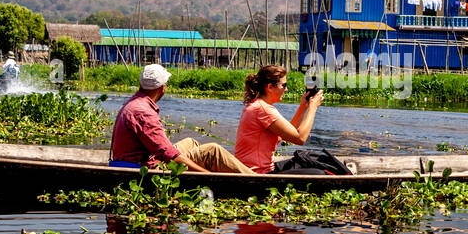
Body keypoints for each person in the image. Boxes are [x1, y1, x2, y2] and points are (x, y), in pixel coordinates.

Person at [110, 63, 255, 173]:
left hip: (134, 160)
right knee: (212, 151)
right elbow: (168, 155)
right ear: (163, 87)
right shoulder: (144, 112)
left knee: (191, 142)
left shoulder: (134, 103)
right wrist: (206, 174)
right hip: (144, 168)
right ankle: (255, 179)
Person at [235, 65, 325, 173]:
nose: (286, 89)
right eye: (284, 85)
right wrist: (313, 107)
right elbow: (300, 138)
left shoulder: (259, 106)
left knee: (304, 161)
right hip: (257, 173)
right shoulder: (262, 109)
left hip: (263, 169)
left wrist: (303, 106)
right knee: (318, 173)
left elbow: (289, 132)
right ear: (270, 87)